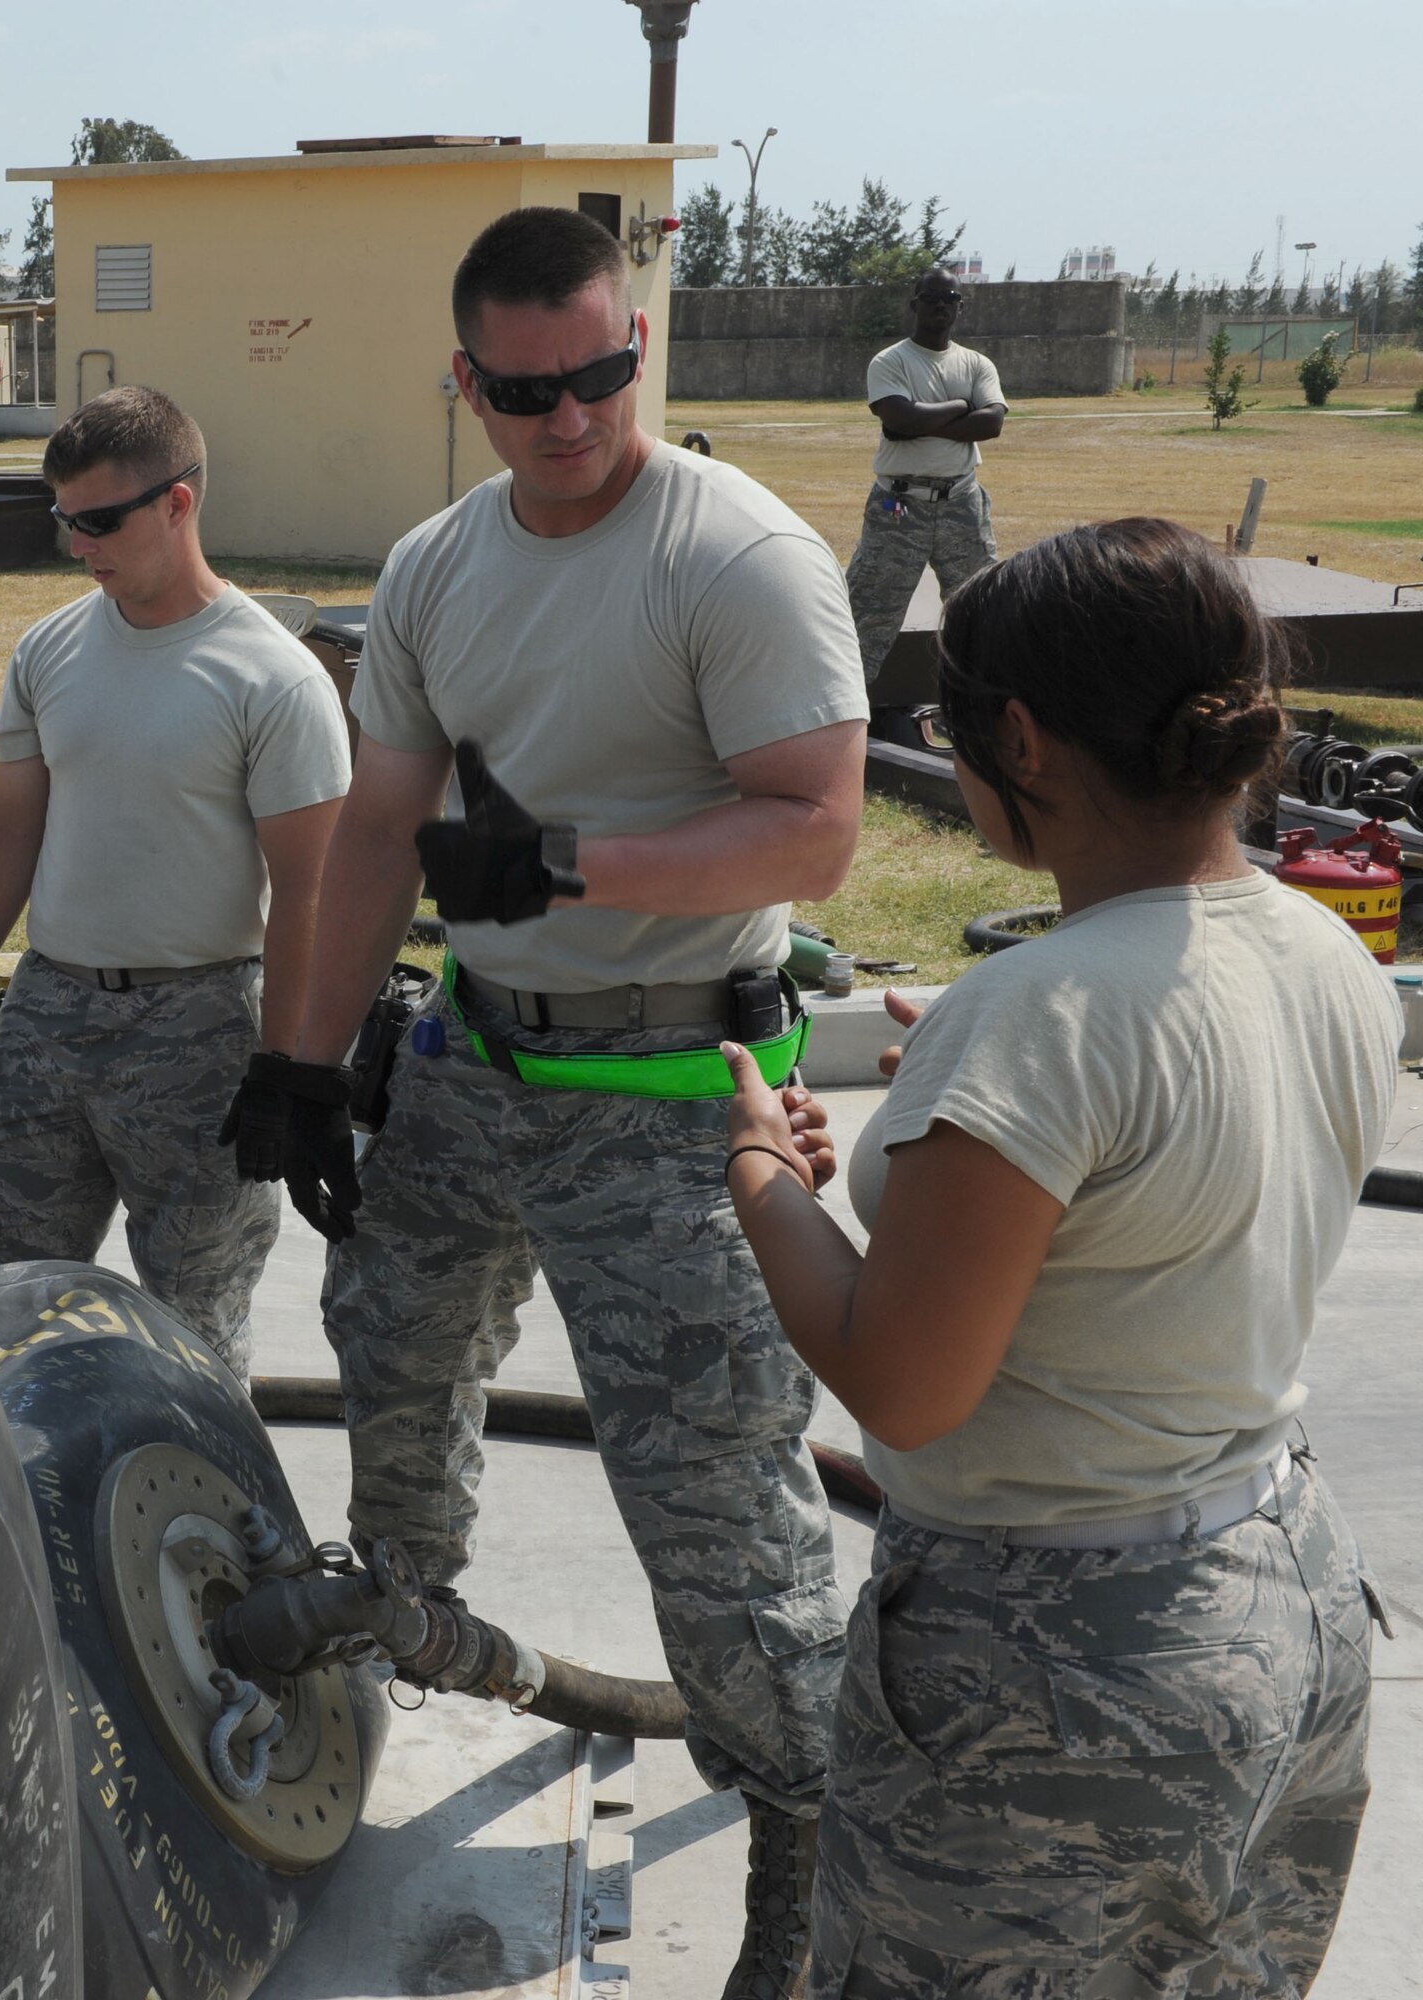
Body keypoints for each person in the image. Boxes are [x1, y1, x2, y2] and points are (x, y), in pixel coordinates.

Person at [242, 206, 869, 1998]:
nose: (566, 419)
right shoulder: (442, 565)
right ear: (468, 383)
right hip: (474, 1060)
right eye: (524, 391)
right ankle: (407, 1628)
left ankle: (808, 1821)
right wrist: (306, 1055)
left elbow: (814, 824)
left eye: (595, 376)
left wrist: (569, 858)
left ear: (636, 353)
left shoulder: (731, 554)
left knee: (711, 1499)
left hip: (673, 1088)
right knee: (396, 1342)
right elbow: (375, 829)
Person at [719, 518, 1403, 1997]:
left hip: (1059, 1670)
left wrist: (764, 1175)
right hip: (1284, 1601)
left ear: (1018, 738)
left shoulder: (1039, 1016)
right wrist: (975, 1122)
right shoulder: (1324, 951)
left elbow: (905, 1388)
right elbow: (1158, 1203)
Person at [0, 386, 351, 1383]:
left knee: (192, 1321)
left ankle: (202, 1533)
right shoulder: (51, 648)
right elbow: (9, 822)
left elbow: (310, 893)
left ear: (178, 503)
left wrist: (285, 1067)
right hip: (49, 1012)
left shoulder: (271, 679)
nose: (79, 544)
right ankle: (24, 1518)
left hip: (198, 1031)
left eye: (100, 520)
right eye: (64, 519)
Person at [844, 271, 1005, 688]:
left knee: (981, 610)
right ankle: (846, 712)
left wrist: (919, 423)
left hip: (962, 504)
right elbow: (898, 417)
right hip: (898, 507)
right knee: (869, 613)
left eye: (949, 298)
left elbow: (990, 424)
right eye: (930, 298)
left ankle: (981, 704)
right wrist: (959, 407)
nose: (940, 305)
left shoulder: (976, 364)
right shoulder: (891, 361)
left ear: (960, 307)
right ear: (914, 305)